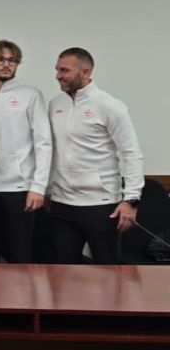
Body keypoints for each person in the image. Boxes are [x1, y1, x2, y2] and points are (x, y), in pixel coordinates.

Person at [48, 47, 143, 264]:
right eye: (57, 69)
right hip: (62, 203)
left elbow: (131, 153)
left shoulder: (110, 105)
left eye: (64, 70)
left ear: (86, 72)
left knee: (107, 273)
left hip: (101, 205)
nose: (58, 76)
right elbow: (52, 150)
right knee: (64, 272)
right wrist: (47, 188)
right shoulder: (55, 104)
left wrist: (131, 200)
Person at [0, 40, 51, 263]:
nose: (6, 64)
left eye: (12, 60)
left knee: (19, 254)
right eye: (0, 59)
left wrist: (38, 187)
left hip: (19, 189)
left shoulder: (31, 95)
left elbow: (43, 142)